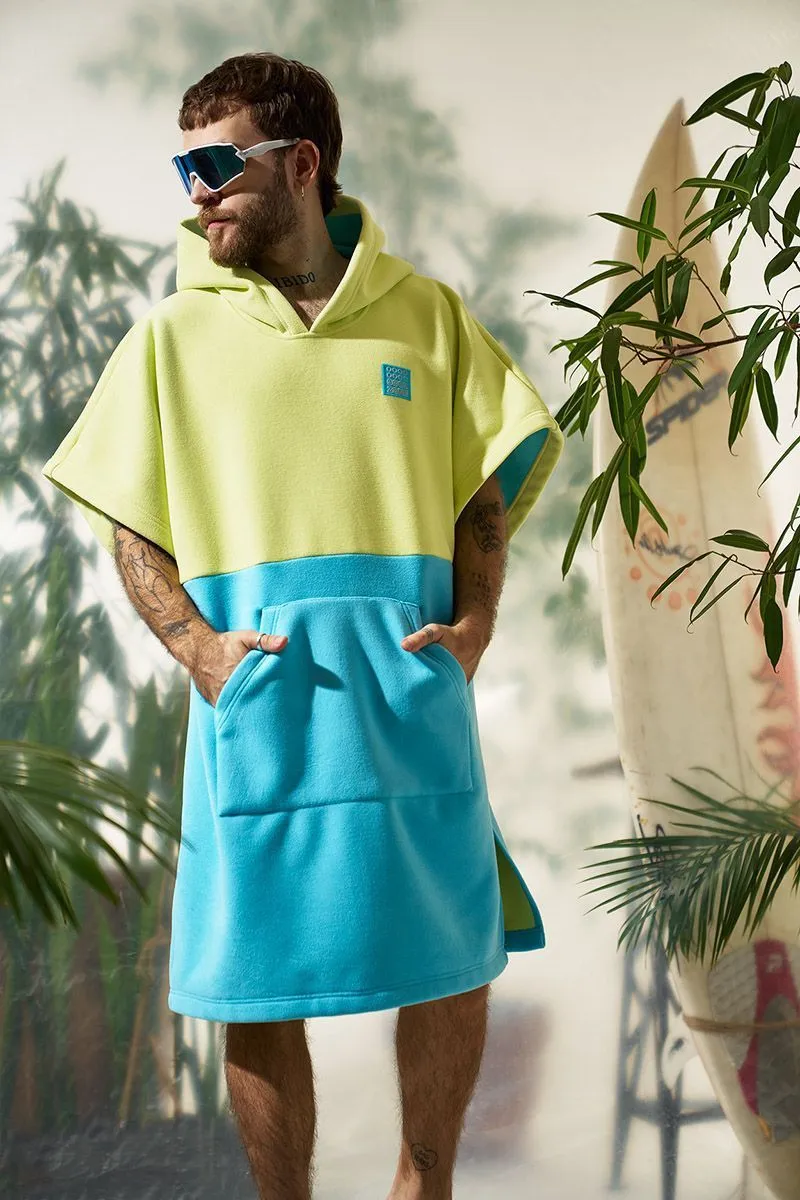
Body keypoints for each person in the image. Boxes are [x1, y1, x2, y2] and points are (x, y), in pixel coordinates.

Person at [42, 51, 564, 1200]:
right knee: (254, 981)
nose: (195, 194)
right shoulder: (172, 339)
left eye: (215, 165)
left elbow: (479, 490)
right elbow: (132, 523)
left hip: (407, 696)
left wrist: (474, 623)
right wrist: (200, 652)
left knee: (448, 950)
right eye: (183, 169)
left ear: (300, 163)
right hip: (262, 702)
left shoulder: (425, 318)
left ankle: (421, 1186)